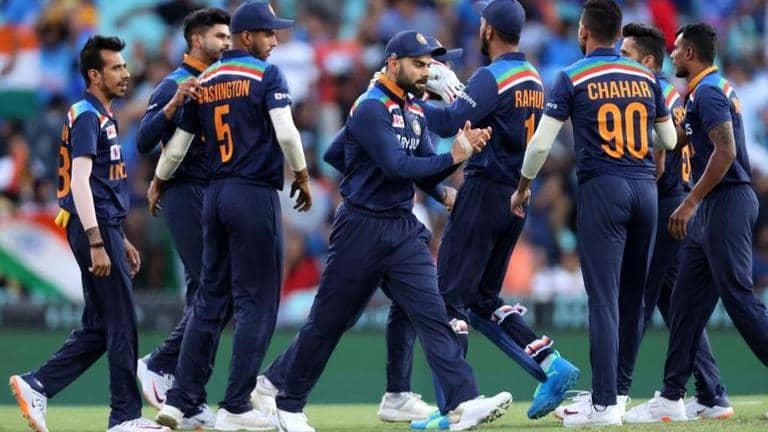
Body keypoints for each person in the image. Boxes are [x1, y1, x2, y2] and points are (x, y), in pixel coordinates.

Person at [263, 30, 512, 432]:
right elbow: (397, 167)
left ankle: (462, 401)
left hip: (401, 227)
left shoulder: (412, 108)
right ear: (394, 63)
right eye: (418, 64)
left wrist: (445, 177)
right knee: (329, 321)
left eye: (428, 64)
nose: (426, 72)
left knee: (432, 313)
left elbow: (412, 165)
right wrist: (453, 155)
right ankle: (287, 405)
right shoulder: (371, 108)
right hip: (361, 228)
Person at [411, 0, 581, 423]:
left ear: (488, 29)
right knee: (483, 299)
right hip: (516, 195)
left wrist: (408, 101)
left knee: (448, 299)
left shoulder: (493, 77)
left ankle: (455, 408)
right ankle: (551, 364)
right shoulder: (533, 77)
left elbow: (447, 124)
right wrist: (456, 96)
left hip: (484, 191)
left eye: (482, 22)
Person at [510, 0, 677, 426]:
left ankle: (603, 405)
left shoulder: (572, 76)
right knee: (633, 299)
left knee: (603, 300)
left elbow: (541, 145)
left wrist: (524, 186)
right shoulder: (645, 76)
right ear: (619, 35)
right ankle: (616, 395)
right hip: (645, 192)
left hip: (604, 189)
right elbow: (670, 139)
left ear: (583, 31)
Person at [151, 2, 312, 431]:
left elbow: (179, 144)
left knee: (209, 301)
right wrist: (301, 174)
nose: (274, 40)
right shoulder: (266, 75)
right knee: (257, 303)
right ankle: (236, 405)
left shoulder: (205, 79)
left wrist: (158, 181)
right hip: (252, 194)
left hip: (214, 195)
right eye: (268, 33)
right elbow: (286, 132)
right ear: (246, 37)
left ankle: (179, 401)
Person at [8, 36, 168, 432]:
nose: (125, 73)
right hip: (91, 228)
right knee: (122, 320)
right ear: (94, 75)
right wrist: (99, 240)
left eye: (124, 65)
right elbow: (80, 182)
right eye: (116, 67)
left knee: (100, 326)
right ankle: (125, 417)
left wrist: (118, 237)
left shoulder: (100, 114)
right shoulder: (86, 116)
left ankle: (38, 384)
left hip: (101, 226)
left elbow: (98, 184)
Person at [624, 22, 768, 423]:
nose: (671, 54)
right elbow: (679, 139)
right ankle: (673, 397)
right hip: (714, 206)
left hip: (727, 200)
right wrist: (648, 146)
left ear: (689, 53)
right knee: (685, 304)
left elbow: (725, 152)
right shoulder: (704, 90)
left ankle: (684, 394)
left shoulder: (708, 92)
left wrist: (689, 202)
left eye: (676, 48)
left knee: (738, 298)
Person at [613, 22, 733, 420]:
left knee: (636, 299)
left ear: (648, 61)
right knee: (677, 305)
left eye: (626, 54)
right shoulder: (672, 94)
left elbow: (658, 161)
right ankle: (712, 394)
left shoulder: (648, 91)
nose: (620, 60)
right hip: (678, 204)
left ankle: (612, 395)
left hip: (665, 205)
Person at [134, 9, 231, 429]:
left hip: (214, 193)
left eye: (229, 36)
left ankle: (189, 397)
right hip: (185, 190)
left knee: (207, 296)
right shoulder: (173, 83)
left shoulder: (222, 82)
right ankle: (159, 364)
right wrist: (174, 104)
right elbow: (143, 140)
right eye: (219, 36)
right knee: (215, 291)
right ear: (195, 40)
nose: (227, 43)